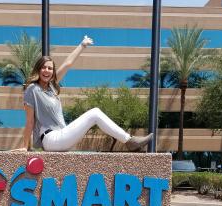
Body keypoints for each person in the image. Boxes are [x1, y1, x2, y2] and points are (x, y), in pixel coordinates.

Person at [14, 36, 154, 152]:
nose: (47, 70)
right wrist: (25, 147)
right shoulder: (32, 89)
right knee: (95, 113)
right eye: (43, 67)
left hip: (62, 136)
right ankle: (130, 141)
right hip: (51, 139)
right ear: (38, 70)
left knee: (94, 114)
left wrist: (82, 45)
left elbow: (68, 63)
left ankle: (130, 141)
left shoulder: (51, 88)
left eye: (50, 68)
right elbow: (30, 121)